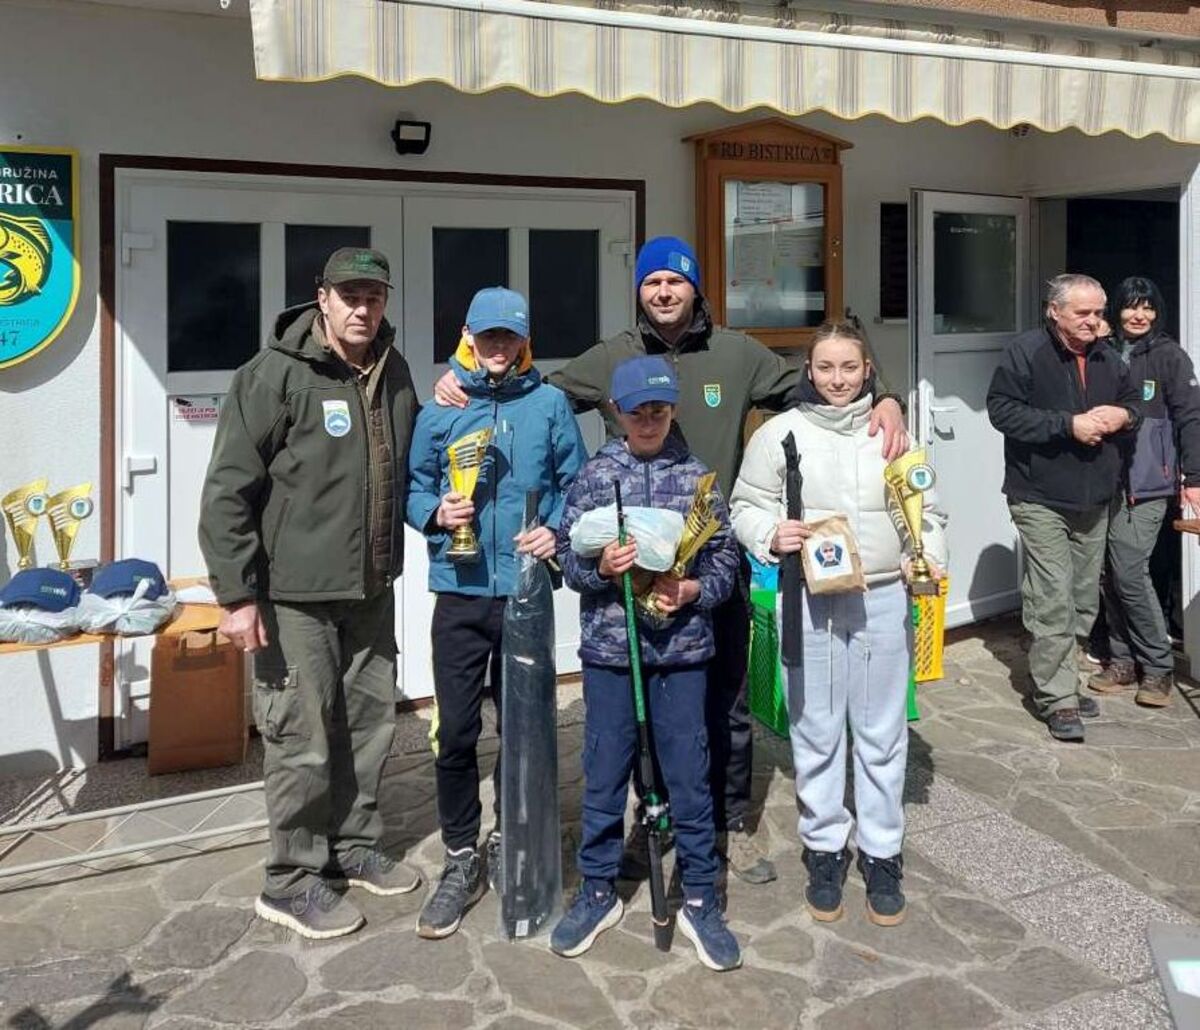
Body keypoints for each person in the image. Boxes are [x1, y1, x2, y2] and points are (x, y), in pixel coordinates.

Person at [433, 236, 909, 884]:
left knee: (725, 705)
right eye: (652, 281)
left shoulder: (738, 353)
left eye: (675, 281)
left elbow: (822, 378)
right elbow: (534, 394)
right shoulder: (613, 356)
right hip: (640, 571)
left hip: (714, 562)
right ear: (640, 290)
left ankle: (726, 826)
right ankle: (653, 821)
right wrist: (461, 379)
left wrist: (886, 394)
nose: (663, 291)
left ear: (694, 287)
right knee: (648, 708)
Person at [199, 247, 420, 939]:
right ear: (321, 297)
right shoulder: (274, 375)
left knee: (368, 725)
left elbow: (412, 460)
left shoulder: (394, 370)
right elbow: (227, 491)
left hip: (370, 587)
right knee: (301, 736)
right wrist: (236, 596)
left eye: (374, 296)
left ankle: (352, 846)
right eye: (350, 296)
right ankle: (291, 879)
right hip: (293, 597)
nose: (363, 309)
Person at [729, 320, 946, 928]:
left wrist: (926, 554)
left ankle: (881, 852)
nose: (838, 379)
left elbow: (926, 509)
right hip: (811, 598)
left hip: (882, 596)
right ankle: (824, 848)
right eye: (825, 367)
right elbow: (745, 505)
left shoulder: (893, 433)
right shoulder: (779, 433)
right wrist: (771, 532)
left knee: (881, 731)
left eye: (850, 367)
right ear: (809, 370)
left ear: (868, 370)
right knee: (817, 727)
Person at [406, 287, 587, 939]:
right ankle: (461, 855)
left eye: (509, 337)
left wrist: (555, 531)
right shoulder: (442, 406)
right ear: (468, 336)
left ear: (525, 340)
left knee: (524, 730)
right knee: (456, 732)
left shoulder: (550, 405)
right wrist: (435, 512)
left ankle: (516, 840)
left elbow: (576, 483)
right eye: (488, 337)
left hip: (524, 592)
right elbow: (415, 485)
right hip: (459, 590)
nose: (499, 349)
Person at [552, 355, 742, 970]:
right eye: (638, 411)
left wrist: (692, 591)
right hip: (613, 651)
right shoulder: (595, 475)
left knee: (690, 774)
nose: (649, 420)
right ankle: (598, 889)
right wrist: (601, 569)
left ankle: (700, 897)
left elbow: (725, 558)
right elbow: (569, 558)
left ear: (673, 409)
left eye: (659, 409)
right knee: (605, 771)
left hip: (682, 652)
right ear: (617, 412)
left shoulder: (697, 477)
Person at [987, 273, 1141, 743]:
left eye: (1099, 312)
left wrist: (1125, 415)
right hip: (1039, 496)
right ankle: (1058, 699)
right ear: (1055, 311)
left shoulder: (1108, 356)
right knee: (1052, 597)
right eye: (1083, 313)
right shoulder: (1026, 352)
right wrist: (1067, 425)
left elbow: (1136, 402)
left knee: (1082, 599)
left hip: (1094, 497)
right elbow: (1001, 410)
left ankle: (1062, 681)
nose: (1094, 321)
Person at [1088, 277, 1200, 707]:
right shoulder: (1101, 351)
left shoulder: (1170, 356)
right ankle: (1122, 661)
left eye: (1148, 307)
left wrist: (1194, 477)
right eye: (1131, 306)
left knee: (1130, 571)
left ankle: (1157, 667)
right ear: (1116, 310)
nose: (1139, 315)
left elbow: (1191, 417)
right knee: (1108, 574)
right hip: (1103, 479)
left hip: (1149, 483)